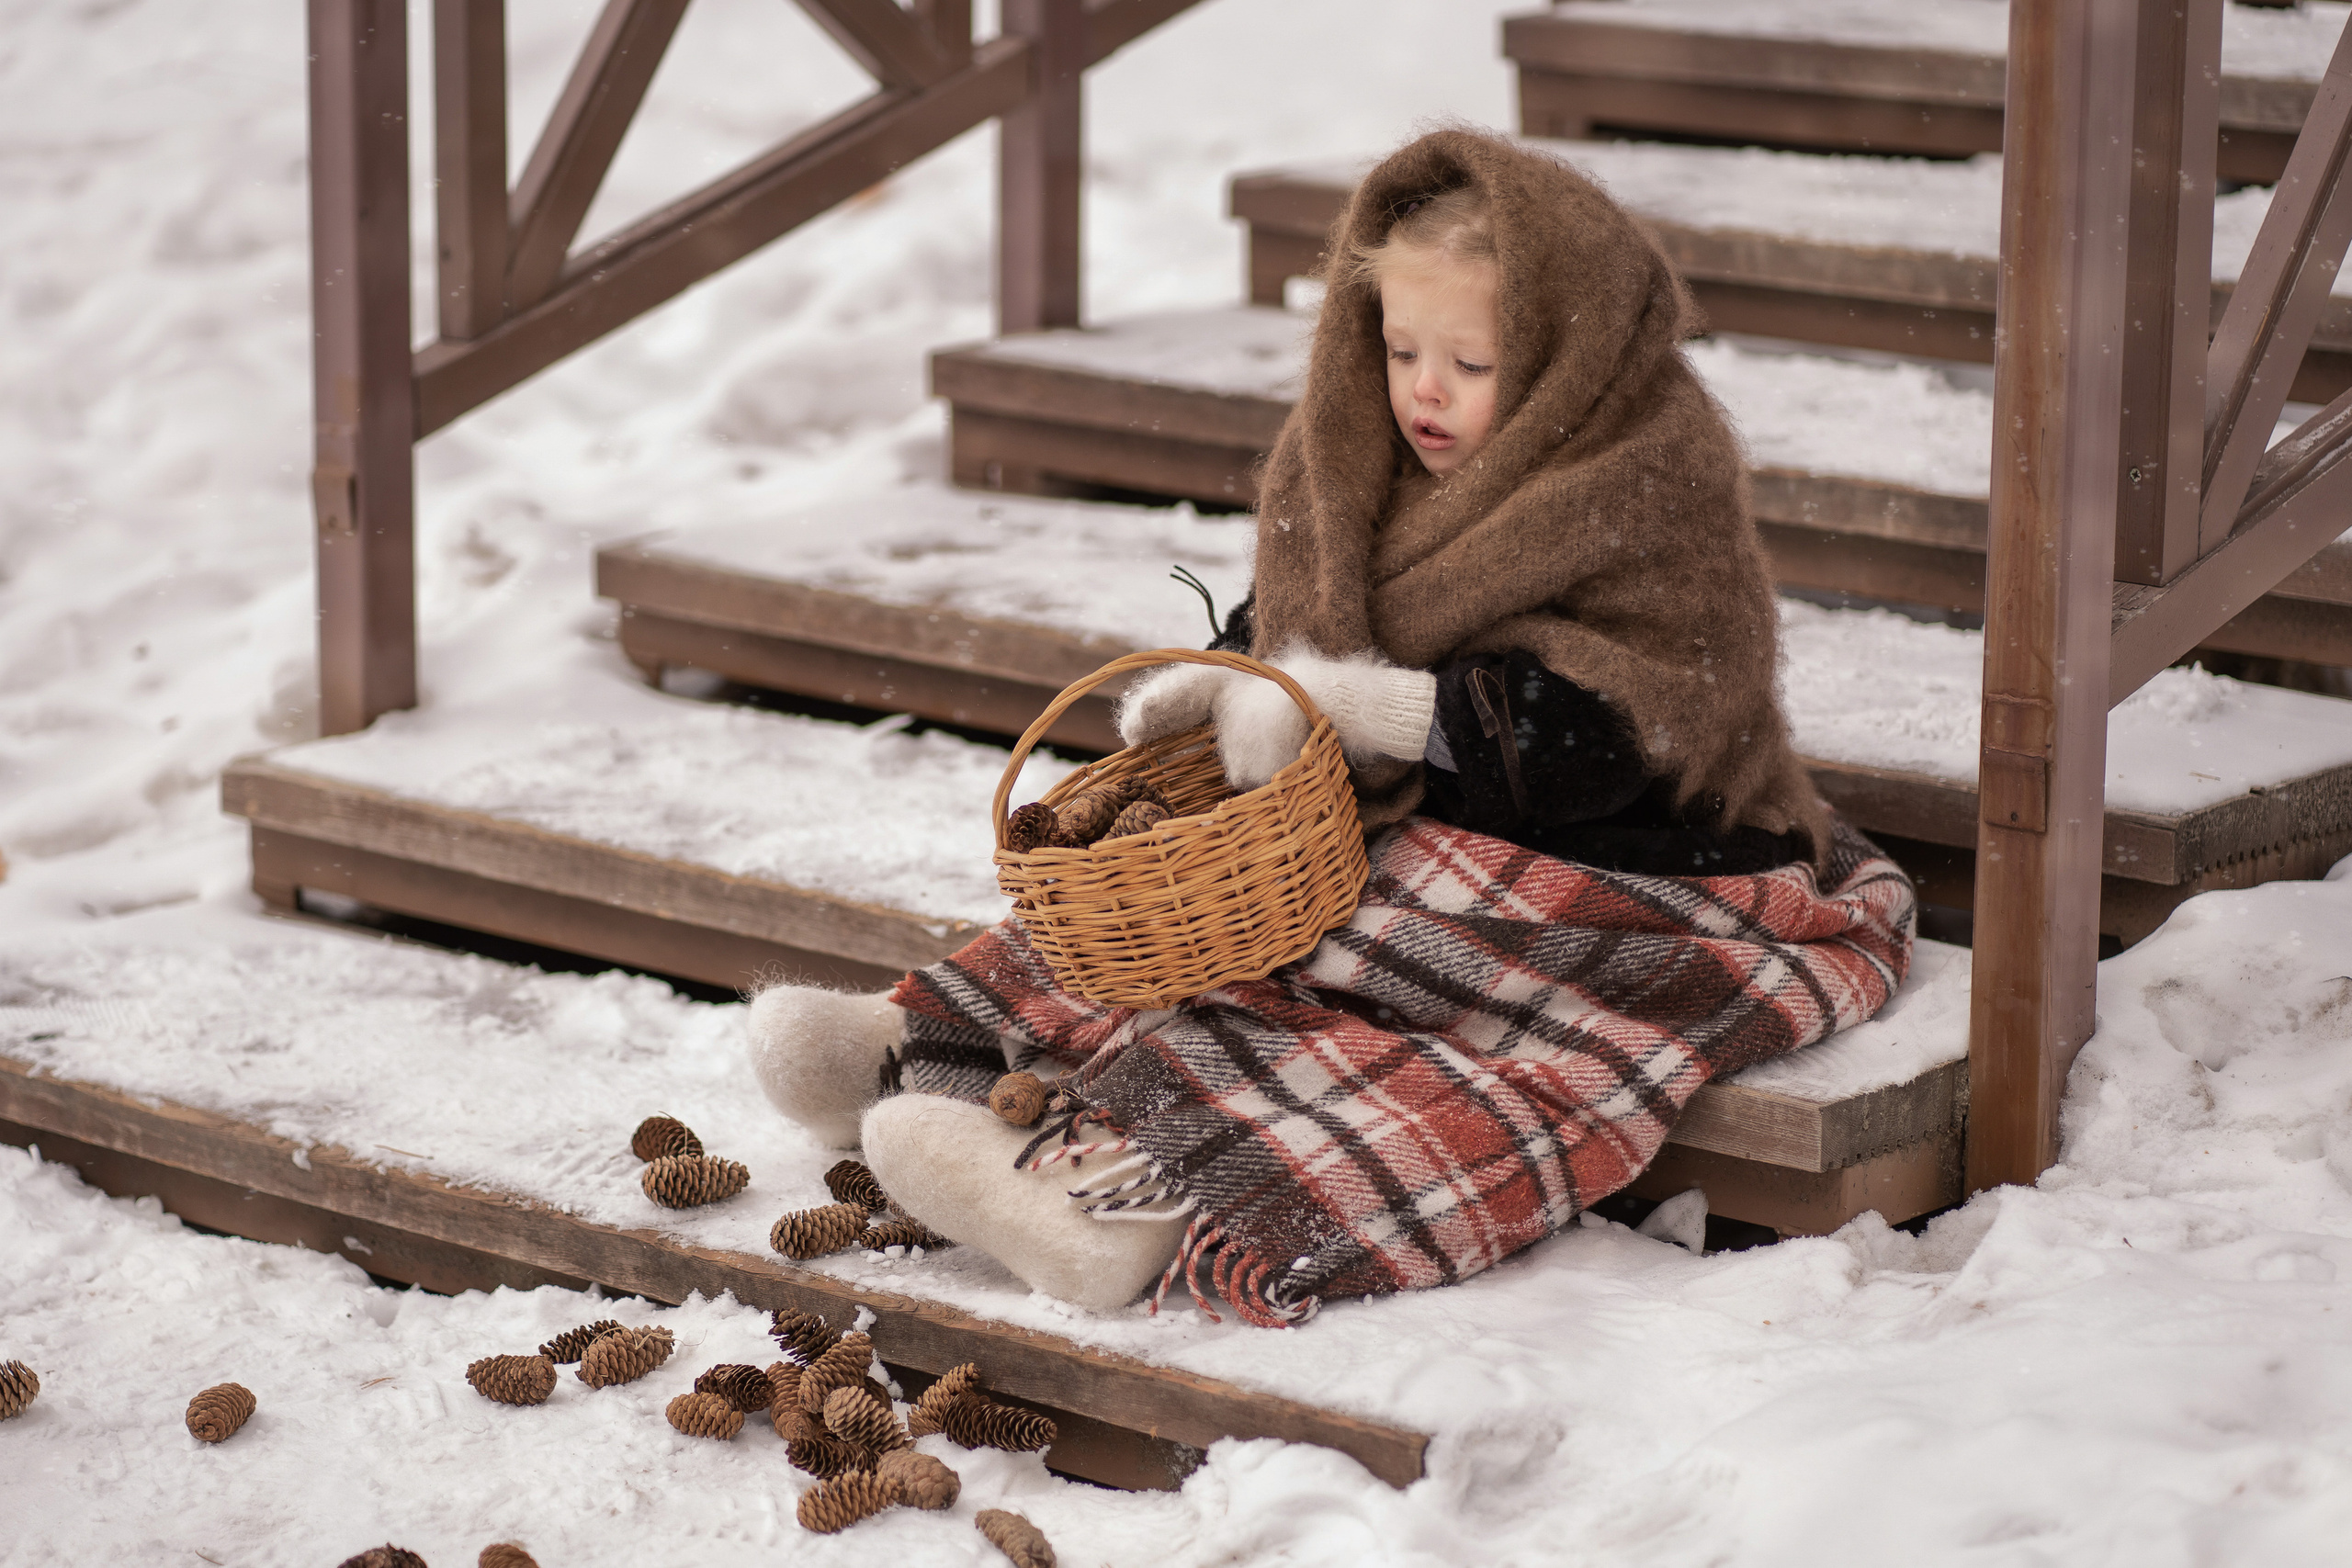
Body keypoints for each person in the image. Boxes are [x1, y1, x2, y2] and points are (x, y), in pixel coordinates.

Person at [748, 130, 1916, 1322]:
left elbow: (1631, 732)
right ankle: (935, 1041)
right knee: (1184, 900)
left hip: (1637, 862)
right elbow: (1309, 606)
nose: (1423, 389)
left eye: (1473, 359)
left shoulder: (1645, 477)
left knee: (1367, 944)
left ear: (1569, 357)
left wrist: (1360, 707)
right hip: (1414, 817)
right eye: (1402, 347)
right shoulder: (1358, 450)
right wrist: (1234, 679)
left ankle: (1134, 1207)